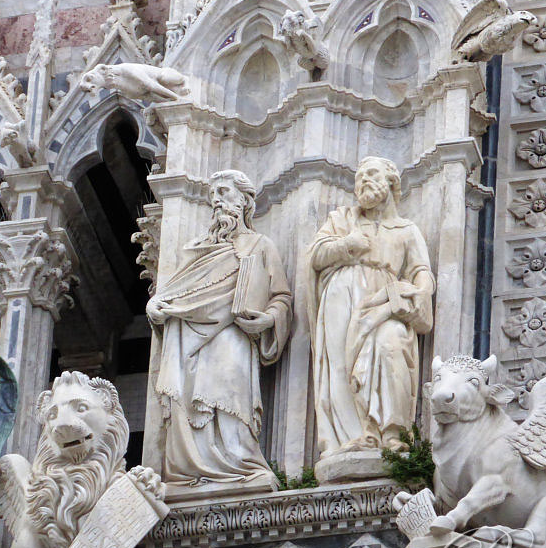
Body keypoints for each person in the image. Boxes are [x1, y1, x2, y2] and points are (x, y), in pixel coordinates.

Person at [147, 170, 292, 491]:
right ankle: (192, 470)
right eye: (212, 195)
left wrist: (268, 319)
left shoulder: (260, 245)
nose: (216, 200)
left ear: (244, 200)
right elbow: (175, 294)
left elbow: (281, 297)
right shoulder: (195, 249)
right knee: (191, 399)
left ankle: (238, 463)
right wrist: (154, 305)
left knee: (228, 392)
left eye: (223, 192)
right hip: (189, 339)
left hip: (233, 335)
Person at [309, 156, 434, 460]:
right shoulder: (342, 220)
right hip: (340, 297)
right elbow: (316, 256)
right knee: (339, 364)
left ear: (391, 181)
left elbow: (421, 270)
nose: (364, 179)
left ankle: (391, 434)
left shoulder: (406, 229)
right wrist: (348, 244)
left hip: (384, 302)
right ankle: (351, 436)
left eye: (372, 173)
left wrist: (421, 291)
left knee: (392, 343)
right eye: (359, 176)